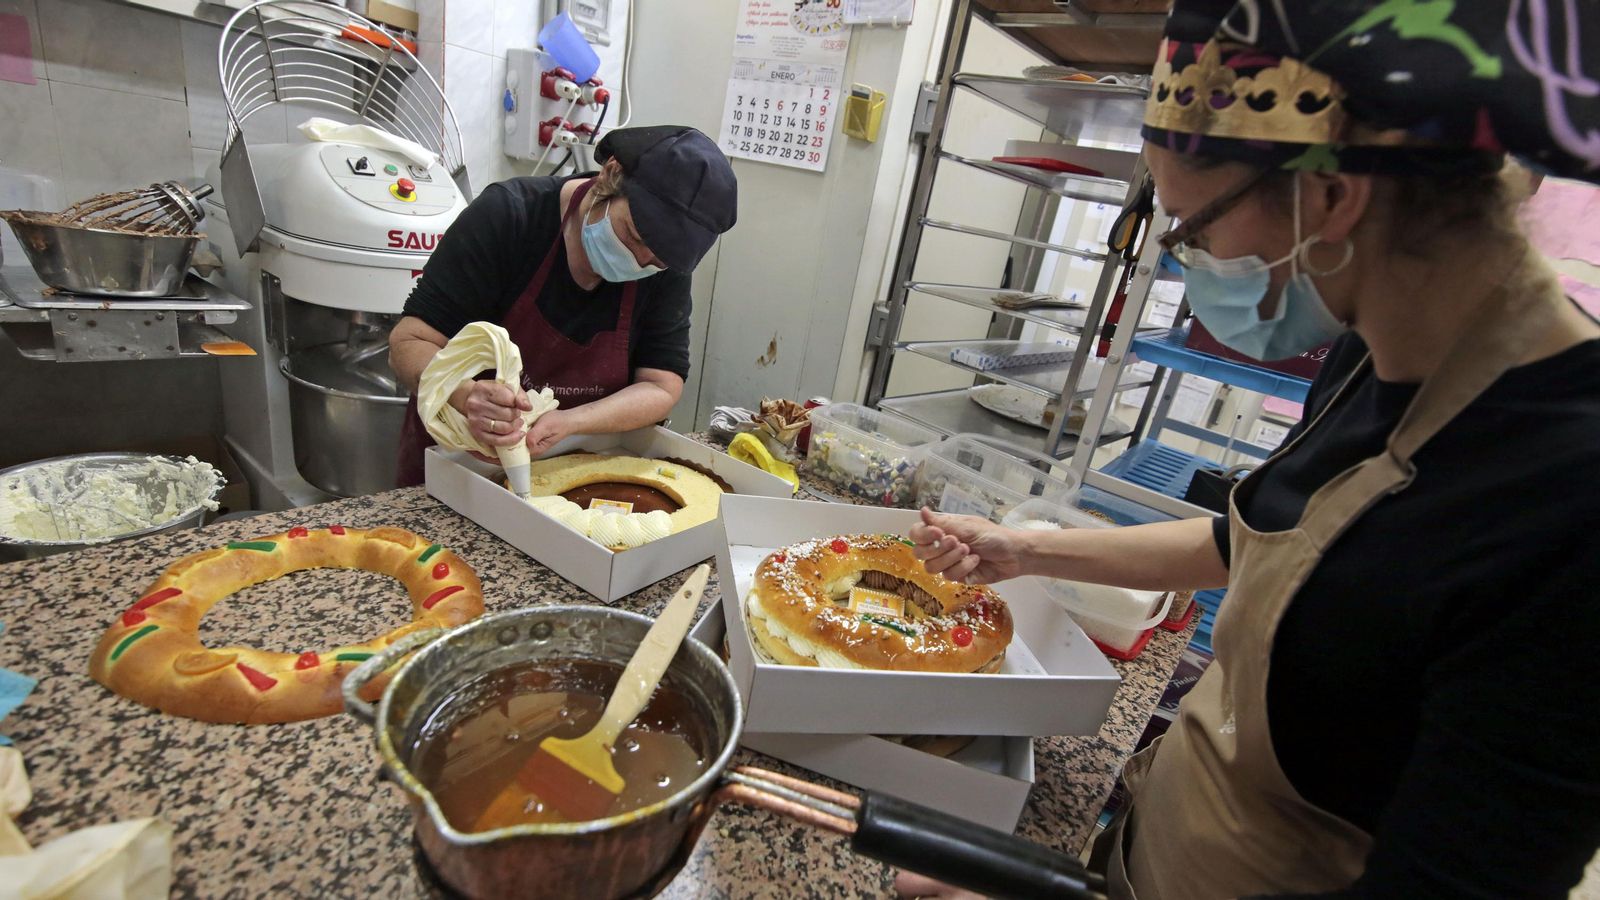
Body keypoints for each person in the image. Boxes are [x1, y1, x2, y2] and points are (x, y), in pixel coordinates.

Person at [903, 2, 1600, 897]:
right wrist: (1025, 548)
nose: (1188, 268)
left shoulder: (1566, 504)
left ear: (1330, 198)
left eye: (1191, 229)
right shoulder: (1373, 351)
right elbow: (1257, 539)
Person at [389, 125, 737, 484]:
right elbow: (408, 343)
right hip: (454, 467)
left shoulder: (666, 261)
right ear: (611, 174)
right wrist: (465, 394)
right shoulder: (509, 217)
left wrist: (573, 421)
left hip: (573, 472)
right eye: (633, 235)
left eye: (658, 261)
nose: (640, 260)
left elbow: (661, 385)